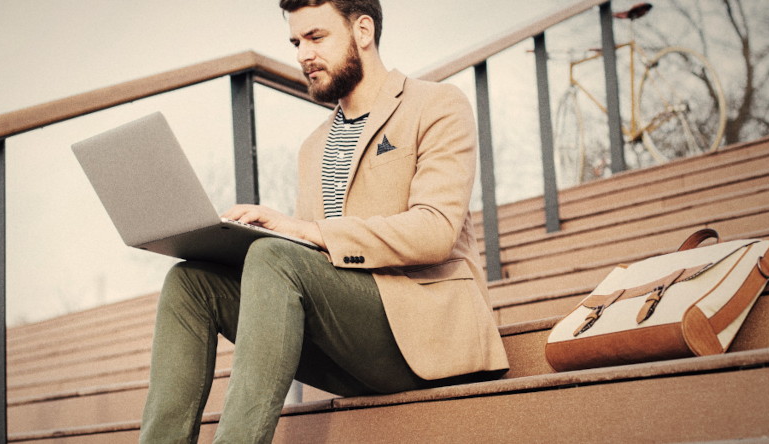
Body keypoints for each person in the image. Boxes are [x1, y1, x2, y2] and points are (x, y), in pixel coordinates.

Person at [139, 1, 509, 442]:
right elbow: (307, 262)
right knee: (190, 282)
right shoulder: (314, 147)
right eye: (296, 42)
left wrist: (302, 232)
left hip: (427, 336)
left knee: (276, 255)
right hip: (349, 346)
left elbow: (435, 231)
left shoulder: (437, 104)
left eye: (316, 37)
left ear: (364, 31)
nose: (302, 55)